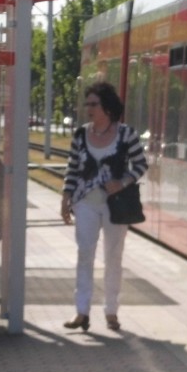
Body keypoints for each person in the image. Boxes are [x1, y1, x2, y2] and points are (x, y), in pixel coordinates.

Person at [60, 82, 148, 332]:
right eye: (87, 104)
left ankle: (111, 311)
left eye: (94, 104)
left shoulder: (126, 134)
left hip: (115, 205)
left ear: (107, 107)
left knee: (113, 257)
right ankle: (81, 312)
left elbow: (141, 164)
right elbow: (73, 168)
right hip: (85, 203)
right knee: (84, 255)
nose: (89, 108)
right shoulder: (81, 135)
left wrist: (122, 182)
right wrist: (66, 196)